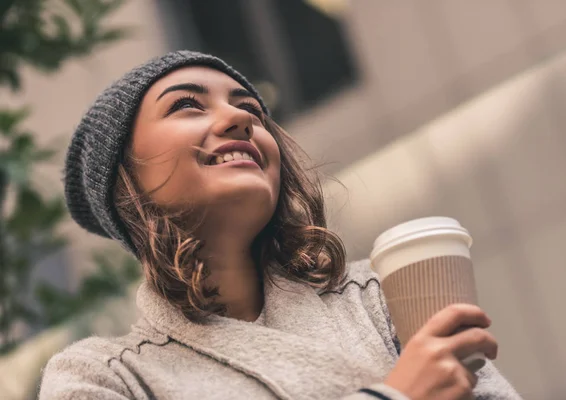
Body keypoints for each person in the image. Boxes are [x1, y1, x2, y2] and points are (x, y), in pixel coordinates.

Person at [39, 51, 521, 400]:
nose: (238, 119)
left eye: (250, 109)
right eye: (187, 104)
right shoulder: (104, 377)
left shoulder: (382, 296)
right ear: (125, 181)